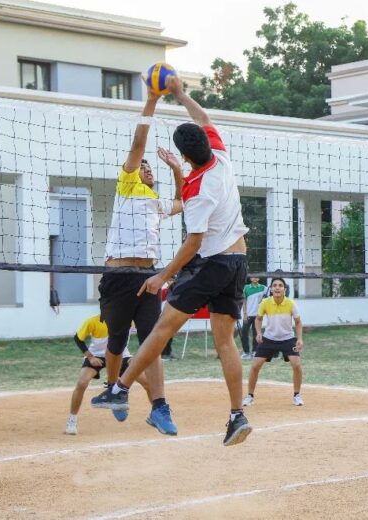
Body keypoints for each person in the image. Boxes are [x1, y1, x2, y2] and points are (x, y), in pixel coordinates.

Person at [92, 75, 253, 447]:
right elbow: (204, 119)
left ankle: (121, 389)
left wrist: (164, 275)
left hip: (211, 264)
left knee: (162, 328)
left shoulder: (195, 191)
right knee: (225, 342)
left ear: (183, 155)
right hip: (238, 262)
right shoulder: (222, 160)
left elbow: (194, 241)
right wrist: (180, 94)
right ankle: (236, 414)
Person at [96, 90, 183, 435]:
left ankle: (160, 407)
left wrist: (176, 169)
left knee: (153, 341)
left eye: (149, 166)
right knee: (116, 342)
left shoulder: (156, 204)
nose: (145, 167)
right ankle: (115, 389)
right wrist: (151, 103)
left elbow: (181, 202)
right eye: (142, 165)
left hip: (148, 277)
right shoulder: (127, 185)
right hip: (118, 276)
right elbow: (137, 145)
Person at [66, 314, 151, 435]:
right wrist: (90, 357)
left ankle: (156, 412)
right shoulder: (93, 321)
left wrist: (136, 356)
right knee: (81, 383)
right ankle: (72, 420)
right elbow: (77, 338)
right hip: (97, 356)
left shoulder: (128, 320)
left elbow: (147, 334)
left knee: (147, 382)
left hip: (121, 356)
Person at [243, 277, 305, 406]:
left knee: (297, 365)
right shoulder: (265, 303)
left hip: (287, 338)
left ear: (284, 289)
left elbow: (298, 322)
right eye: (275, 285)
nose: (277, 287)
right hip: (269, 338)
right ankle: (249, 396)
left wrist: (299, 339)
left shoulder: (290, 303)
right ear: (270, 289)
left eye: (280, 285)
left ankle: (297, 395)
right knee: (255, 366)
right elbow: (258, 319)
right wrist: (259, 333)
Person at [240, 277, 266, 360]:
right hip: (248, 315)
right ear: (250, 278)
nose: (255, 278)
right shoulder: (246, 288)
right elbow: (244, 301)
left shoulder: (263, 288)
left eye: (257, 277)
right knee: (244, 333)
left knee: (256, 334)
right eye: (253, 277)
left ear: (259, 278)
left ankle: (255, 351)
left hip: (258, 315)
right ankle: (246, 352)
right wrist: (244, 314)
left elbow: (270, 293)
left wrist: (263, 300)